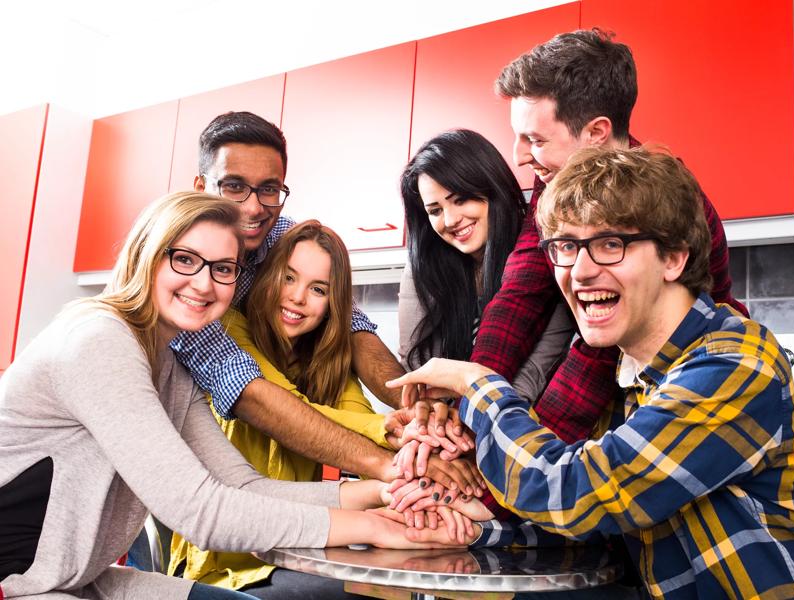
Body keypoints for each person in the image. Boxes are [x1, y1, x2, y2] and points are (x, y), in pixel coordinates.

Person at [0, 192, 461, 600]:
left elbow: (244, 487)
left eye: (222, 269)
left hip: (74, 579)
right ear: (146, 253)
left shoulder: (171, 367)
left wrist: (387, 493)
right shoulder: (99, 340)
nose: (203, 283)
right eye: (184, 259)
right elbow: (200, 510)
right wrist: (378, 527)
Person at [389, 148, 794, 600]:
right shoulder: (632, 380)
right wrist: (470, 529)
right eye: (565, 247)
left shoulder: (734, 364)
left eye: (610, 244)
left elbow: (576, 491)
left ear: (673, 259)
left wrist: (477, 383)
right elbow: (606, 531)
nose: (580, 272)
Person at [460, 29, 747, 445]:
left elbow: (600, 352)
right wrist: (462, 405)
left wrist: (487, 451)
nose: (520, 155)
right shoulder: (557, 181)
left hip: (686, 395)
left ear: (595, 132)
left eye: (535, 139)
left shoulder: (668, 201)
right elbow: (520, 292)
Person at [170, 220, 480, 598]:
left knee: (397, 590)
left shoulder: (327, 360)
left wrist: (430, 453)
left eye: (318, 289)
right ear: (268, 278)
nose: (298, 297)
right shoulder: (231, 328)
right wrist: (394, 430)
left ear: (334, 304)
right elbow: (297, 410)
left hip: (304, 541)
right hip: (224, 560)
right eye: (288, 278)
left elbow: (361, 419)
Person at [170, 112, 474, 492]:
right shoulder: (183, 278)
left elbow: (350, 325)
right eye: (233, 186)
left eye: (269, 189)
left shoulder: (280, 237)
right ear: (201, 186)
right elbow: (246, 387)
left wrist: (419, 411)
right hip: (176, 469)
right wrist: (388, 461)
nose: (253, 208)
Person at [399, 129, 573, 404]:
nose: (451, 219)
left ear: (494, 188)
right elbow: (416, 363)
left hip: (520, 418)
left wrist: (468, 422)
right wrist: (436, 420)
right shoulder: (424, 264)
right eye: (435, 210)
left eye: (461, 199)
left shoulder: (543, 258)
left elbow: (533, 374)